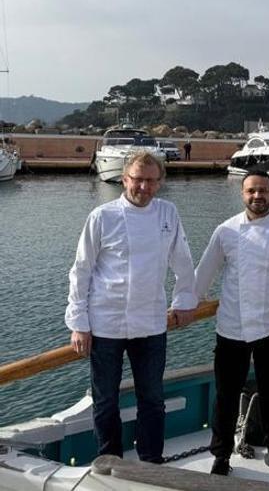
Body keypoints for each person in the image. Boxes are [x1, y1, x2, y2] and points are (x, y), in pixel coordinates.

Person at [65, 152, 197, 463]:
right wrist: (79, 323)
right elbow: (81, 270)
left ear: (160, 182)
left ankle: (151, 462)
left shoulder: (168, 213)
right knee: (105, 401)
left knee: (152, 398)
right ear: (125, 179)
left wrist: (183, 301)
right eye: (138, 179)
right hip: (105, 323)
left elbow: (183, 261)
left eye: (151, 180)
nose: (144, 187)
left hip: (151, 323)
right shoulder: (102, 216)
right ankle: (110, 462)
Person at [194, 171, 269, 483]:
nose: (257, 196)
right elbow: (205, 271)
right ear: (242, 194)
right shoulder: (226, 230)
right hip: (231, 327)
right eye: (251, 191)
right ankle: (221, 455)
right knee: (226, 395)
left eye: (263, 190)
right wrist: (187, 302)